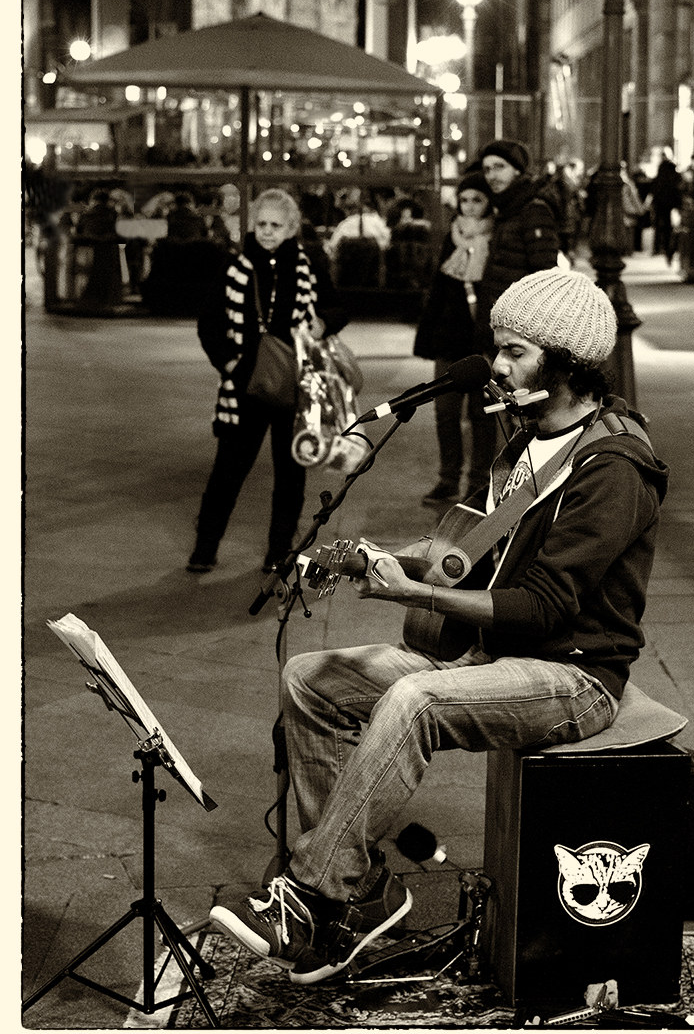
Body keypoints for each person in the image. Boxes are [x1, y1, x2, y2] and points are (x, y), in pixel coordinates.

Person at [210, 267, 669, 985]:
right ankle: (357, 896)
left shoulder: (613, 467)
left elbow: (542, 606)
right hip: (496, 657)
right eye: (497, 347)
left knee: (414, 699)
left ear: (568, 362)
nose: (497, 365)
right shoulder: (521, 444)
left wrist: (407, 597)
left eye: (515, 351)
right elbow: (464, 552)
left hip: (575, 674)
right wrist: (375, 559)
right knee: (312, 679)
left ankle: (312, 896)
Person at [188, 189, 347, 573]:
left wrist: (322, 322)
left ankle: (280, 551)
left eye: (276, 225)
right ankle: (205, 546)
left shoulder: (308, 264)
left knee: (290, 475)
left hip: (295, 385)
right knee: (227, 470)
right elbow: (209, 323)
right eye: (261, 224)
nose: (267, 232)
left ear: (291, 227)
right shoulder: (236, 265)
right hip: (246, 388)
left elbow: (338, 305)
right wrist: (231, 366)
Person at [413, 171, 497, 506]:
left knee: (482, 414)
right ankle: (448, 478)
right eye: (465, 199)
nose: (471, 206)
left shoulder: (496, 237)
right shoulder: (453, 235)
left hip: (481, 338)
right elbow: (439, 289)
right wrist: (429, 334)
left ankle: (478, 482)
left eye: (478, 199)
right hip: (449, 338)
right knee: (445, 413)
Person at [473, 139, 561, 354]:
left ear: (517, 171)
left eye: (500, 167)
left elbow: (545, 272)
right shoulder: (507, 208)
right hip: (504, 318)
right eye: (487, 169)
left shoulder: (532, 209)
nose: (492, 176)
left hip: (519, 325)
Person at [649, 147, 684, 259]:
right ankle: (665, 248)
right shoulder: (671, 168)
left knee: (661, 225)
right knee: (666, 225)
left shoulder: (664, 168)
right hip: (667, 201)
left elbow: (658, 185)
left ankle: (661, 248)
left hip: (663, 201)